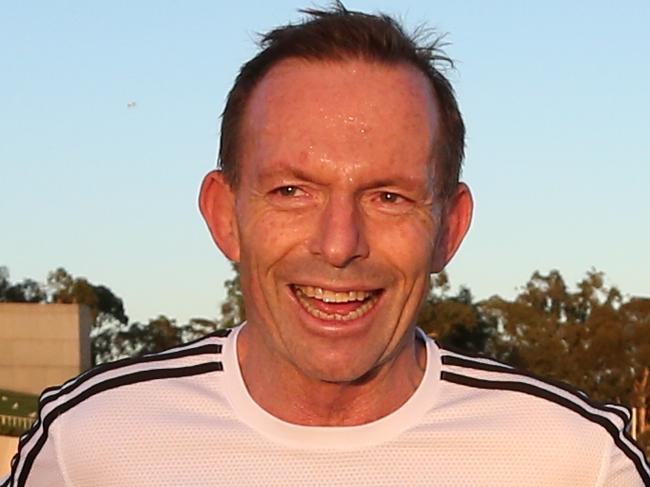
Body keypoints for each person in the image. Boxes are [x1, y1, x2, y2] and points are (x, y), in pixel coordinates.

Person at [3, 4, 649, 486]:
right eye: (292, 190)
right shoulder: (88, 446)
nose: (339, 244)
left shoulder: (573, 460)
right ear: (225, 215)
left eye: (388, 196)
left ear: (448, 228)